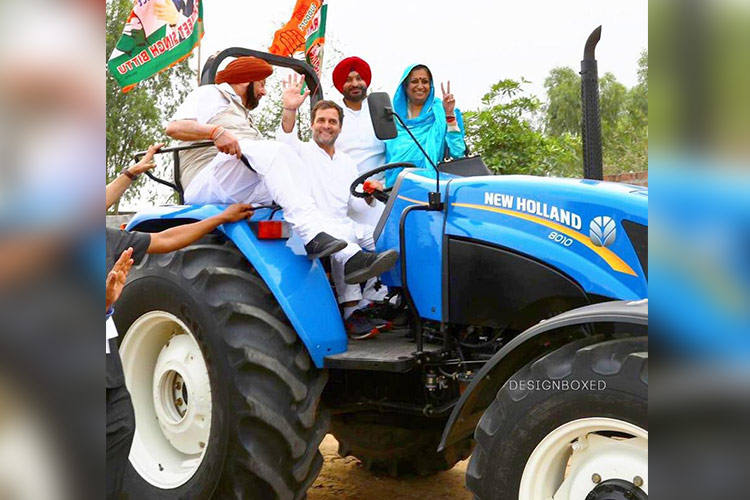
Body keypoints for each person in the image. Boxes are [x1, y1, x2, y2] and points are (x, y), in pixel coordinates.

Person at [105, 144, 255, 500]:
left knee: (121, 425)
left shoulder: (108, 239)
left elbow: (168, 238)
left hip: (102, 358)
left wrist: (217, 219)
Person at [165, 56, 392, 283]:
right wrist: (215, 132)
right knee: (276, 151)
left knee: (305, 192)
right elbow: (174, 127)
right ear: (247, 80)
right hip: (206, 177)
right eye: (262, 84)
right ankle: (312, 236)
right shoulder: (212, 94)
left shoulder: (244, 113)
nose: (263, 92)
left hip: (238, 180)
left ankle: (348, 258)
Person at [278, 75, 397, 339]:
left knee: (390, 238)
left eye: (332, 121)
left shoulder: (346, 162)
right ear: (311, 125)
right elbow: (286, 139)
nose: (326, 126)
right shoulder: (300, 152)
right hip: (314, 225)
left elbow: (352, 201)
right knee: (346, 245)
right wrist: (289, 109)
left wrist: (369, 193)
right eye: (321, 120)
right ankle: (351, 314)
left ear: (340, 128)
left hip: (343, 221)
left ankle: (377, 301)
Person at [384, 63, 467, 187]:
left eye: (425, 81)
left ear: (430, 85)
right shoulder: (392, 117)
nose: (420, 86)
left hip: (434, 189)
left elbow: (458, 153)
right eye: (414, 81)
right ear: (405, 86)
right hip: (396, 189)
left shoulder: (442, 112)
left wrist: (449, 115)